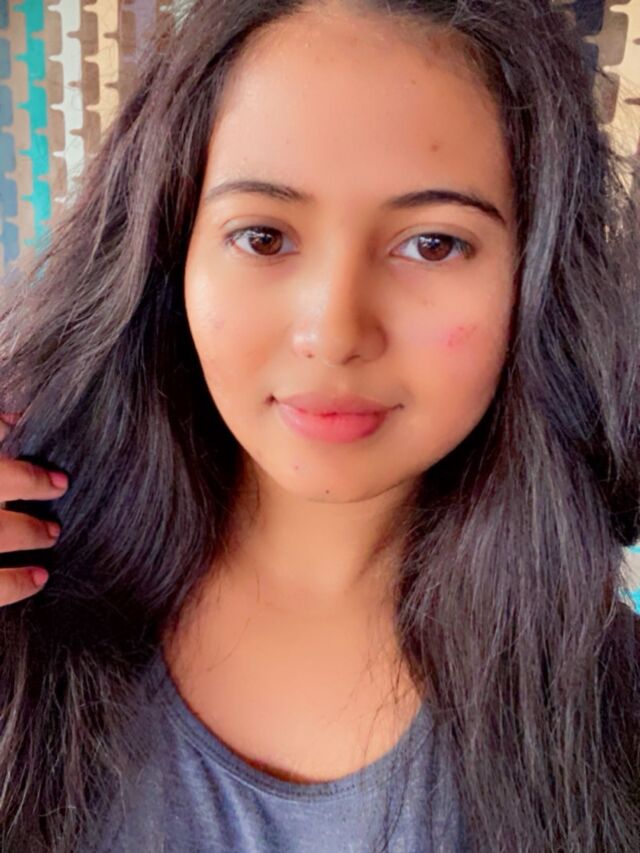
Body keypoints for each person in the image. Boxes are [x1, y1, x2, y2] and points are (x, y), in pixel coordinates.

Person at [0, 0, 638, 850]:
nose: (334, 331)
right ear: (167, 253)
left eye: (434, 244)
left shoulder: (612, 706)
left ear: (538, 279)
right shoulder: (20, 600)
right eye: (264, 236)